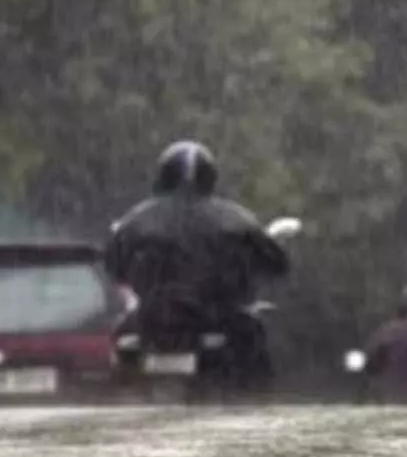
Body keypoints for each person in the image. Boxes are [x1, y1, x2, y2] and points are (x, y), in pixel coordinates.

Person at [103, 140, 290, 387]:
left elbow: (113, 264)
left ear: (163, 176)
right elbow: (277, 262)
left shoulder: (137, 219)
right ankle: (255, 396)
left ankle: (120, 387)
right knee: (255, 341)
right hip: (218, 315)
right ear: (210, 178)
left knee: (120, 338)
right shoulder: (234, 218)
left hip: (153, 318)